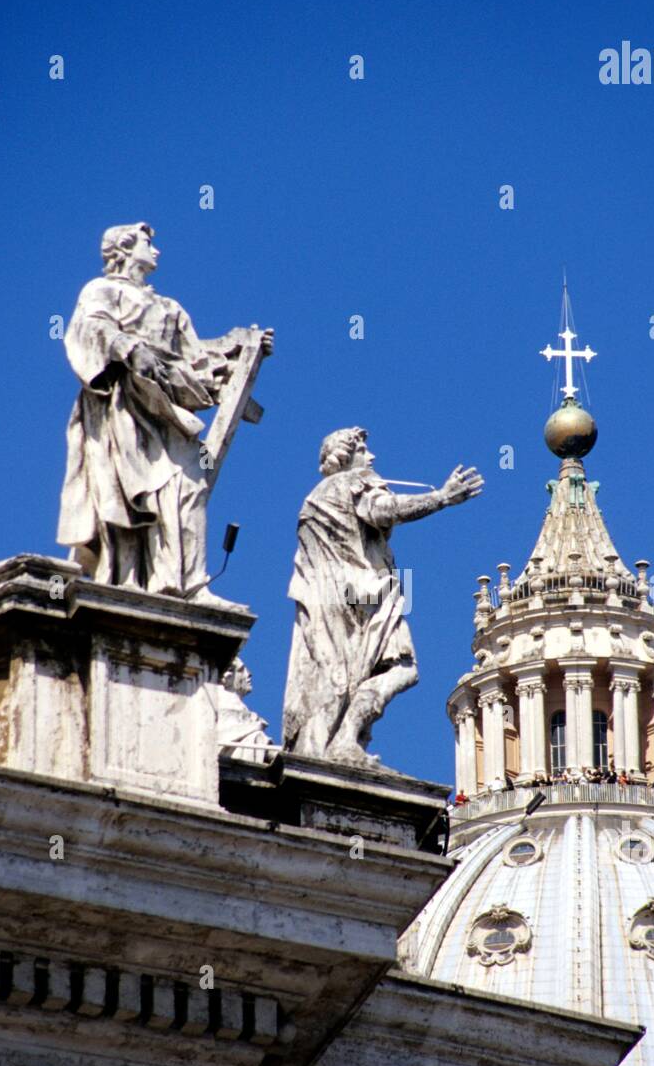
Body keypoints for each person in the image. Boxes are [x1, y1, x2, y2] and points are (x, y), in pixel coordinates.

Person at [57, 222, 273, 599]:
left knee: (188, 486)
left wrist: (245, 351)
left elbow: (199, 362)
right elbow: (88, 330)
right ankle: (125, 582)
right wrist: (127, 347)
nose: (156, 250)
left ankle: (188, 584)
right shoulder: (101, 291)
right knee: (125, 497)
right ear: (123, 250)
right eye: (147, 243)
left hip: (168, 413)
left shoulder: (170, 310)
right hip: (122, 406)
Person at [282, 427, 483, 764]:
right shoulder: (350, 483)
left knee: (337, 673)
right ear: (346, 458)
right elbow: (385, 510)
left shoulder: (311, 502)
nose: (371, 457)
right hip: (363, 595)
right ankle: (344, 739)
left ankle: (326, 744)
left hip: (326, 597)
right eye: (363, 450)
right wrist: (443, 497)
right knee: (401, 668)